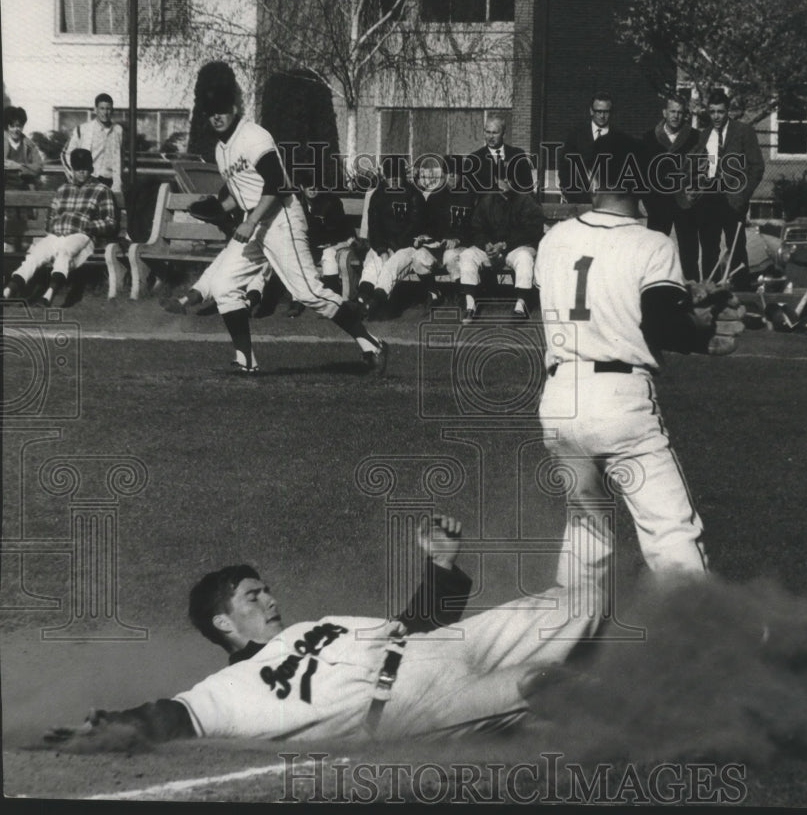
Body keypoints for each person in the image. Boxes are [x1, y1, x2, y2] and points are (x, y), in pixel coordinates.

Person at [42, 515, 603, 747]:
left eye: (266, 589)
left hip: (438, 649)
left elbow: (410, 629)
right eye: (252, 596)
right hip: (418, 703)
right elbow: (176, 715)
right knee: (539, 682)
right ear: (223, 623)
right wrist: (111, 726)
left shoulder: (311, 628)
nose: (271, 598)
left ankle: (593, 474)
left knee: (582, 602)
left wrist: (441, 568)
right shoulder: (231, 687)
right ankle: (662, 728)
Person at [535, 131, 728, 589]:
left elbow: (595, 295)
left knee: (586, 533)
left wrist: (682, 300)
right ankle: (707, 641)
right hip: (619, 402)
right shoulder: (653, 244)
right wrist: (699, 324)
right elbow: (661, 325)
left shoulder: (554, 239)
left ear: (595, 178)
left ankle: (564, 644)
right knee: (670, 530)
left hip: (560, 398)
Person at [178, 71, 387, 375]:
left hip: (281, 219)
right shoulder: (221, 150)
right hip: (258, 222)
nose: (216, 117)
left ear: (235, 108)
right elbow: (242, 192)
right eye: (210, 113)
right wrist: (218, 207)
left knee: (307, 293)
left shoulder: (253, 136)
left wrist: (249, 222)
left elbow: (277, 184)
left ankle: (372, 344)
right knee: (224, 286)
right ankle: (245, 359)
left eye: (222, 110)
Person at [3, 149, 117, 307]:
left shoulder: (101, 190)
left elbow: (111, 222)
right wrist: (54, 227)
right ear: (73, 169)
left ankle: (48, 296)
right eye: (78, 168)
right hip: (57, 235)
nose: (82, 172)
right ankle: (7, 292)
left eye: (85, 168)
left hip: (82, 236)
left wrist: (89, 225)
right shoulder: (63, 189)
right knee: (35, 255)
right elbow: (52, 216)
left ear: (90, 168)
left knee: (64, 253)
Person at [693, 89, 764, 290]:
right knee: (708, 249)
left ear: (728, 112)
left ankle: (742, 293)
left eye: (720, 112)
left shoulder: (743, 131)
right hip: (709, 197)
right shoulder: (704, 135)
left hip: (733, 199)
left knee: (736, 249)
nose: (716, 116)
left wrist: (743, 195)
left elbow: (757, 166)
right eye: (713, 111)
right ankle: (710, 291)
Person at [457, 177, 545, 322]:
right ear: (496, 180)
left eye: (508, 178)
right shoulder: (487, 200)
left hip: (515, 248)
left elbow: (532, 231)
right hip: (491, 248)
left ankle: (520, 306)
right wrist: (486, 244)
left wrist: (504, 245)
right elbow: (476, 228)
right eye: (500, 178)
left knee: (524, 258)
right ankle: (470, 305)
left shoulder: (526, 200)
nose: (504, 182)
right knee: (467, 255)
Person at [353, 156, 424, 318]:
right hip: (383, 245)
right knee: (374, 263)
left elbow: (415, 225)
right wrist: (382, 249)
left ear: (403, 176)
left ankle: (377, 302)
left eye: (397, 176)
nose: (393, 180)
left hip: (406, 246)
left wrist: (394, 247)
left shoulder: (413, 195)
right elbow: (374, 227)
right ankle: (362, 297)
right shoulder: (378, 195)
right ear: (384, 176)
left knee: (390, 267)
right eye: (390, 176)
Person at [641, 94, 701, 281]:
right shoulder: (650, 138)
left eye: (680, 112)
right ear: (664, 113)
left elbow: (703, 168)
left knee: (689, 253)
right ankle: (651, 286)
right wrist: (645, 200)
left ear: (685, 115)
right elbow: (643, 172)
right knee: (654, 250)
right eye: (672, 111)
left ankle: (692, 293)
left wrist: (696, 190)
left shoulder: (695, 138)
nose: (675, 116)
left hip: (685, 202)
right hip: (658, 202)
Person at [408, 154, 475, 307]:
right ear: (443, 174)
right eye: (448, 173)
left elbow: (475, 227)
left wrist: (458, 239)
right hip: (437, 246)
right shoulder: (435, 197)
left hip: (460, 246)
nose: (451, 177)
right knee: (417, 257)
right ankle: (433, 293)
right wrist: (424, 236)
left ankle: (461, 294)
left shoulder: (469, 196)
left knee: (451, 257)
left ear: (461, 175)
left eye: (455, 173)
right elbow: (427, 225)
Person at [286, 186, 357, 316]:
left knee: (329, 256)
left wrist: (328, 243)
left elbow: (339, 228)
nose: (312, 189)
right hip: (309, 245)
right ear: (302, 187)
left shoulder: (331, 201)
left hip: (331, 243)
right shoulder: (296, 203)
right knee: (296, 258)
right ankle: (297, 300)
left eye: (315, 185)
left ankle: (330, 301)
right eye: (308, 185)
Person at [558, 91, 614, 204]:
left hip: (609, 204)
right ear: (591, 111)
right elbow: (565, 168)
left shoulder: (619, 138)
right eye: (598, 111)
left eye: (606, 112)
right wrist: (570, 194)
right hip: (579, 201)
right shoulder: (575, 136)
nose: (602, 116)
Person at [61, 93, 123, 193]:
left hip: (108, 182)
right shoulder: (83, 129)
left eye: (108, 109)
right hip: (87, 180)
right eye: (102, 108)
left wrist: (118, 183)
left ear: (112, 110)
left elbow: (120, 159)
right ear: (95, 110)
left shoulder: (118, 130)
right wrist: (74, 175)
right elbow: (65, 154)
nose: (105, 112)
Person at [461, 114, 534, 196]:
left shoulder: (517, 155)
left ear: (504, 134)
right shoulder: (473, 159)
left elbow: (528, 187)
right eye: (488, 132)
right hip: (486, 207)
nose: (490, 137)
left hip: (513, 206)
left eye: (495, 133)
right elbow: (468, 193)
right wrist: (494, 188)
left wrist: (511, 188)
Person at [4, 106, 44, 190]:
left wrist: (19, 166)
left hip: (25, 190)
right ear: (7, 126)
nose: (16, 129)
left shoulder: (29, 145)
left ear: (23, 126)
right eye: (12, 126)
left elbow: (38, 166)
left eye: (19, 126)